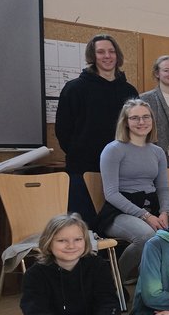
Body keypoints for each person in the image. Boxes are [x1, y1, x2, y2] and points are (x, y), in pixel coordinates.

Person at [14, 214, 145, 315]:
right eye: (62, 240)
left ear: (85, 241)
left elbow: (109, 303)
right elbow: (36, 312)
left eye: (78, 239)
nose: (71, 245)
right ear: (49, 243)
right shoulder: (35, 274)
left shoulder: (98, 266)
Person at [56, 34, 139, 224]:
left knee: (118, 225)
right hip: (83, 170)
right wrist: (80, 151)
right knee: (83, 225)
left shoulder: (129, 91)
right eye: (101, 52)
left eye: (111, 51)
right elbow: (63, 130)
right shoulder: (74, 88)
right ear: (92, 56)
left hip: (121, 171)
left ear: (117, 55)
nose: (107, 56)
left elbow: (135, 129)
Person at [96, 99, 169, 282]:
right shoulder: (113, 149)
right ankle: (115, 280)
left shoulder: (158, 151)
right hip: (119, 212)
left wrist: (165, 212)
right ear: (125, 122)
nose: (141, 122)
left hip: (153, 207)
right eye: (135, 118)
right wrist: (145, 216)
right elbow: (111, 193)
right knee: (146, 236)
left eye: (146, 117)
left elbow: (163, 187)